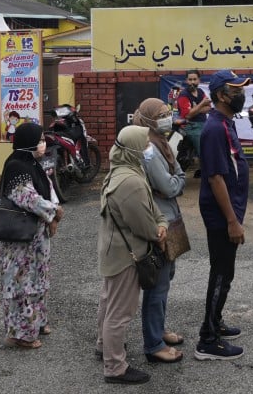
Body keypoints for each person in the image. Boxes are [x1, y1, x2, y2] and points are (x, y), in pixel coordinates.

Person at [96, 125, 167, 385]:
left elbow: (150, 209)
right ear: (135, 149)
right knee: (120, 312)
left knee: (108, 302)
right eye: (145, 143)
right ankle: (115, 367)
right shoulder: (131, 181)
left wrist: (160, 221)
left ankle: (104, 346)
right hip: (127, 255)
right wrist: (158, 229)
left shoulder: (120, 170)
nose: (149, 147)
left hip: (113, 248)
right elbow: (144, 224)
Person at [194, 70, 251, 361]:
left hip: (229, 213)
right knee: (220, 274)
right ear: (220, 96)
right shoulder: (214, 129)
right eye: (235, 90)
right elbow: (215, 178)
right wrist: (232, 220)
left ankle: (215, 322)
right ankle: (208, 339)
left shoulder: (224, 123)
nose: (241, 94)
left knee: (224, 274)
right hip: (221, 217)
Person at [0, 122, 64, 349]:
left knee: (39, 279)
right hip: (21, 238)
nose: (43, 143)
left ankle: (37, 321)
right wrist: (54, 212)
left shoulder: (33, 164)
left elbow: (49, 190)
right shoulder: (17, 166)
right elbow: (28, 198)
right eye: (39, 139)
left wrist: (53, 215)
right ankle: (21, 334)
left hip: (37, 236)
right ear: (28, 143)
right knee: (21, 284)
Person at [132, 98, 186, 364]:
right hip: (159, 221)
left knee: (166, 279)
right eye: (162, 114)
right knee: (158, 284)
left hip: (170, 218)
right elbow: (170, 186)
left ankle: (159, 329)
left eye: (169, 113)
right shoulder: (149, 149)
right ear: (150, 119)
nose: (167, 117)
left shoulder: (161, 143)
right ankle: (153, 343)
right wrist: (180, 178)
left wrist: (177, 176)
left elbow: (174, 176)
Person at [177, 69, 212, 159]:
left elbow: (208, 108)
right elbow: (187, 115)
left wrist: (195, 109)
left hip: (204, 124)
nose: (192, 82)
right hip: (191, 127)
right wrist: (201, 105)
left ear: (199, 80)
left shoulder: (200, 91)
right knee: (205, 152)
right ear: (186, 80)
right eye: (190, 79)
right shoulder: (183, 95)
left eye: (194, 79)